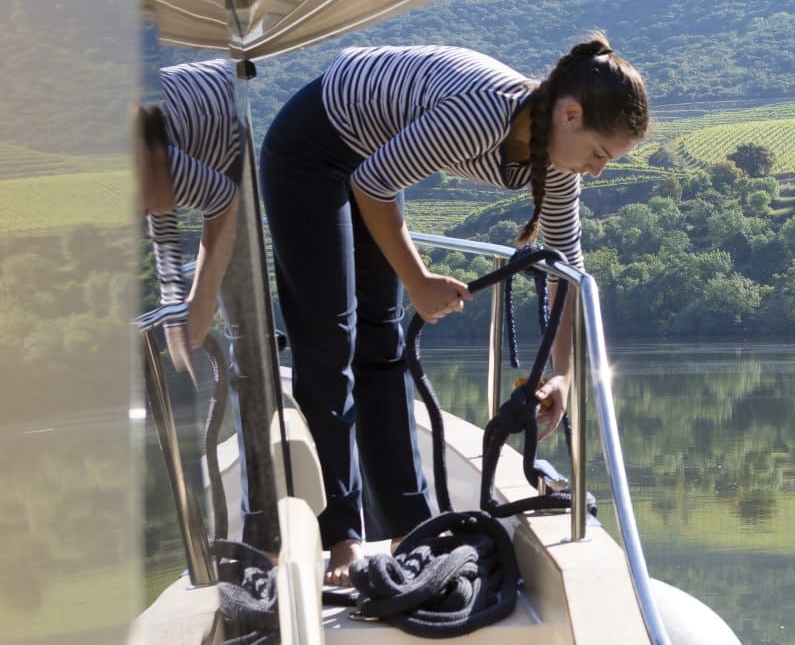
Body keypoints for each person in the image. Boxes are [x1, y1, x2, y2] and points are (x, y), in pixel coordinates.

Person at [261, 34, 648, 581]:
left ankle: (409, 528)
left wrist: (563, 374)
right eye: (598, 154)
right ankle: (342, 541)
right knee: (329, 343)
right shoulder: (483, 114)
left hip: (372, 159)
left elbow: (565, 269)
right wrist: (417, 279)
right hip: (312, 149)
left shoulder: (557, 164)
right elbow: (372, 183)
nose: (598, 171)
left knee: (383, 342)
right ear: (569, 114)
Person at [137, 60, 241, 374]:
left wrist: (202, 299)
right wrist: (173, 307)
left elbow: (224, 200)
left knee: (243, 313)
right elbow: (161, 204)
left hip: (238, 123)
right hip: (214, 129)